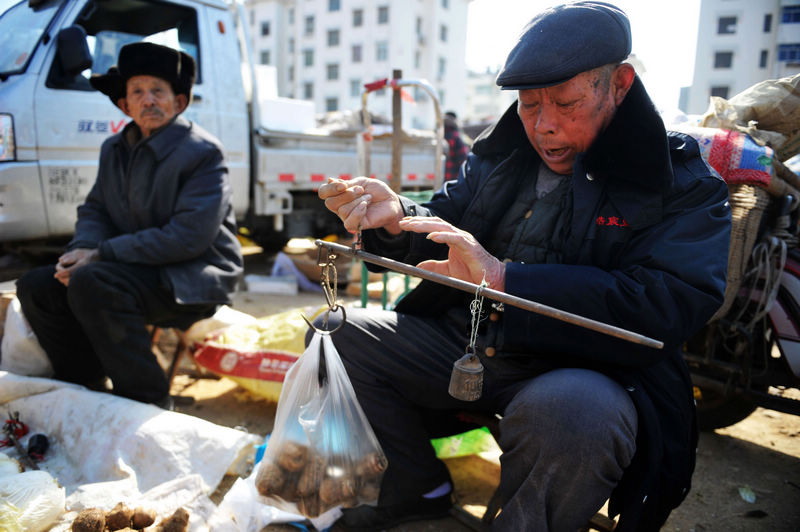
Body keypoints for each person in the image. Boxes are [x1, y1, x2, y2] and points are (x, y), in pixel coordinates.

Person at [315, 2, 731, 531]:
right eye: (530, 105)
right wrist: (397, 218)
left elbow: (669, 300)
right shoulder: (504, 153)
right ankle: (414, 487)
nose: (545, 126)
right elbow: (449, 225)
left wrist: (507, 280)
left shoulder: (679, 182)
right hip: (469, 342)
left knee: (573, 417)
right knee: (336, 334)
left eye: (566, 103)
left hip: (583, 372)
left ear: (619, 85)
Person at [15, 42, 243, 408]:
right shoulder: (113, 149)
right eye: (137, 91)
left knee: (94, 282)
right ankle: (84, 386)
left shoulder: (202, 152)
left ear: (179, 102)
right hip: (133, 267)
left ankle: (147, 399)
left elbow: (189, 237)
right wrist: (79, 251)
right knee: (39, 285)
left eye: (158, 91)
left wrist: (102, 254)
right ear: (125, 105)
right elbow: (96, 210)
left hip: (192, 276)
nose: (148, 100)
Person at [443, 111, 470, 182]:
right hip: (453, 177)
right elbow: (464, 160)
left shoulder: (438, 134)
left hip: (440, 175)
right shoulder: (456, 137)